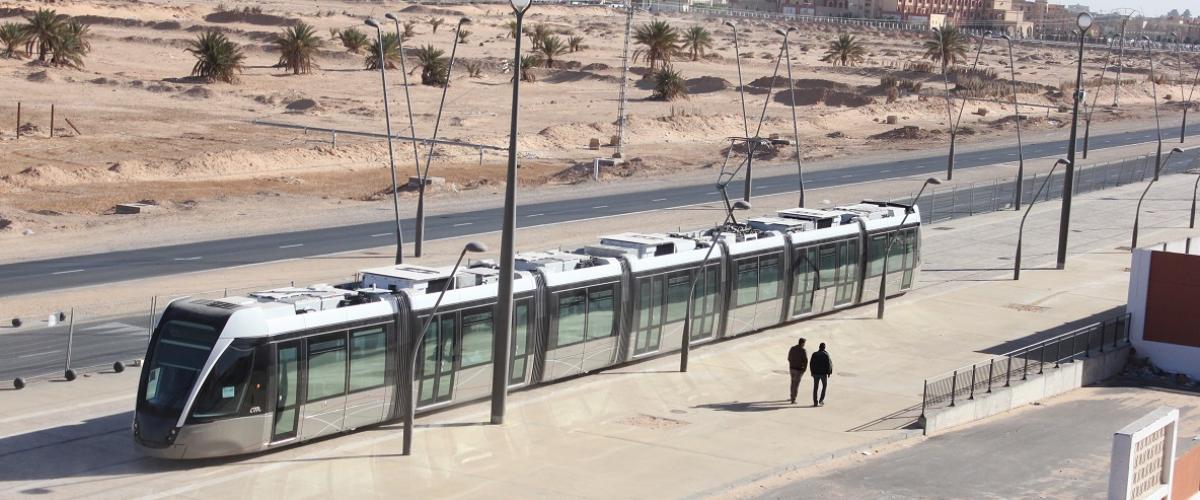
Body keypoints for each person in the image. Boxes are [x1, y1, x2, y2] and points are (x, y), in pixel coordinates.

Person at [810, 342, 833, 407]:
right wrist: (829, 372)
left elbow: (811, 364)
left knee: (815, 388)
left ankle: (815, 402)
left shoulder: (814, 354)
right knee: (824, 386)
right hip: (823, 374)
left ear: (819, 347)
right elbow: (829, 364)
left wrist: (812, 372)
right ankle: (821, 400)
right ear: (824, 347)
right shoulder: (826, 354)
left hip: (815, 374)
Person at [786, 338, 808, 404]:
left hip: (792, 368)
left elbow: (789, 358)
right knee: (796, 384)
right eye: (804, 343)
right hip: (798, 370)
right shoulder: (803, 350)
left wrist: (792, 364)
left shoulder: (792, 348)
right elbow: (805, 361)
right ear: (802, 343)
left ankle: (791, 396)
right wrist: (804, 369)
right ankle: (793, 399)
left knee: (792, 383)